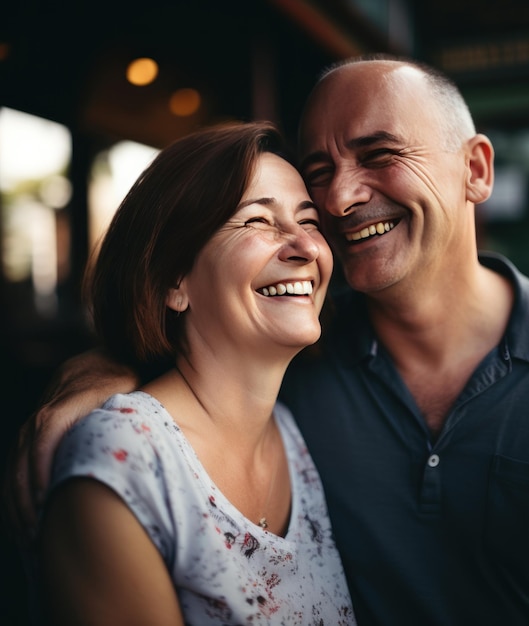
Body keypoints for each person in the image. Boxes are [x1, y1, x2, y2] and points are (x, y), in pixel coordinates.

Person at [7, 54, 529, 625]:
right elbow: (187, 352)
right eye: (320, 172)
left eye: (380, 153)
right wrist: (96, 380)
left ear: (475, 169)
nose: (338, 196)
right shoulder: (302, 357)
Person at [19, 121, 356, 625]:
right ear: (174, 280)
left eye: (309, 221)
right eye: (257, 221)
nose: (304, 246)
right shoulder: (124, 464)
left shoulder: (291, 430)